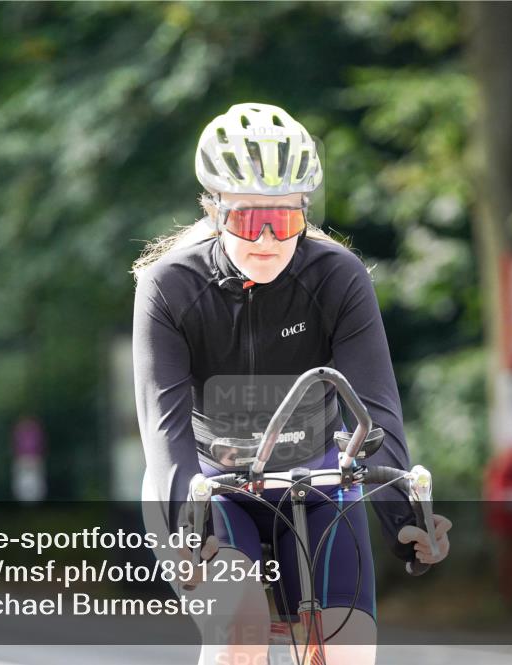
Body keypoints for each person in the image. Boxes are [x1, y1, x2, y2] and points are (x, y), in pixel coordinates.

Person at [133, 102, 451, 665]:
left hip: (318, 479)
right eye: (246, 219)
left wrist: (406, 518)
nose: (265, 239)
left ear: (304, 213)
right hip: (208, 485)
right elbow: (165, 431)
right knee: (242, 627)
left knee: (348, 649)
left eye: (282, 220)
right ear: (214, 210)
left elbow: (376, 411)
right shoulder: (169, 286)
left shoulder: (336, 276)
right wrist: (188, 524)